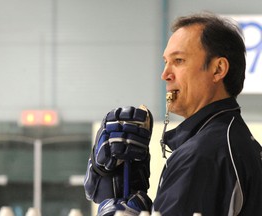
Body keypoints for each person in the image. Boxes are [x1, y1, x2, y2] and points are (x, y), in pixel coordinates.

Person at [84, 12, 262, 216]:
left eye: (178, 60)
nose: (165, 74)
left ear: (218, 69)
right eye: (165, 61)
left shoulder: (204, 154)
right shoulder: (229, 139)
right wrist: (130, 193)